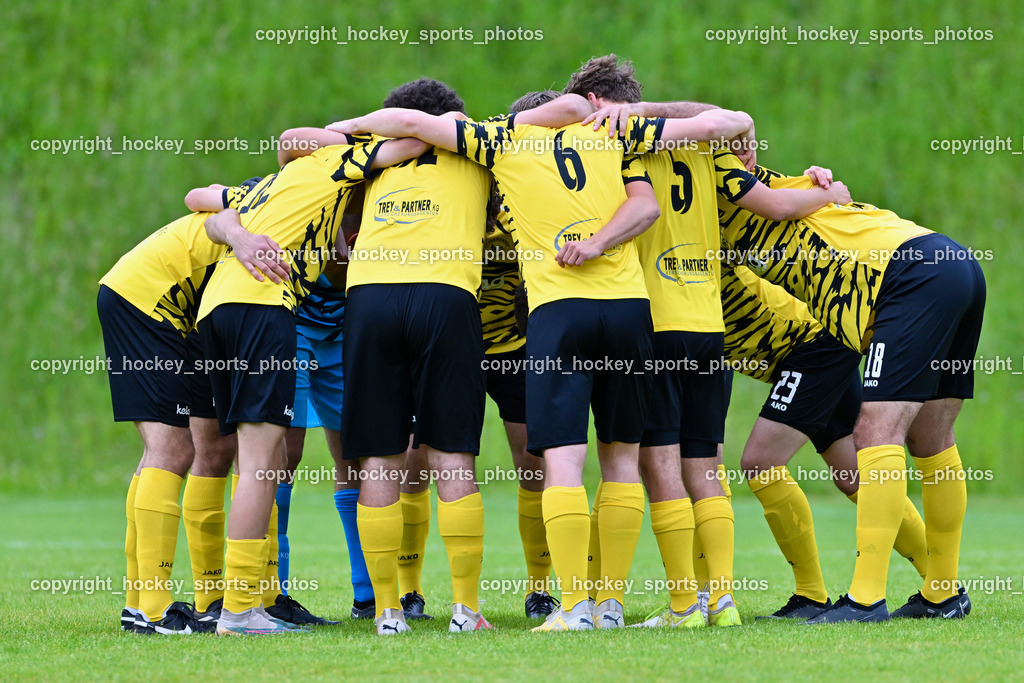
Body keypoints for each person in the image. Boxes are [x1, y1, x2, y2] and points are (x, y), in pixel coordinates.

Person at [329, 87, 756, 632]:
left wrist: (349, 121)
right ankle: (616, 606)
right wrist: (603, 229)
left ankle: (561, 606)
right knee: (623, 460)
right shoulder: (611, 132)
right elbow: (714, 128)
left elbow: (412, 121)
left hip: (554, 311)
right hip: (629, 309)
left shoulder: (501, 140)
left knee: (559, 463)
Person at [564, 54, 849, 629]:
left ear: (597, 105)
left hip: (656, 323)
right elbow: (740, 142)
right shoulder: (703, 145)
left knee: (658, 465)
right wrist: (829, 193)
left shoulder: (615, 148)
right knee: (706, 466)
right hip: (707, 329)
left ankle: (682, 607)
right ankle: (721, 601)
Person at [716, 163, 985, 623]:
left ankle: (864, 600)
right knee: (930, 441)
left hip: (906, 276)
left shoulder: (727, 180)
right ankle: (942, 593)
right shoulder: (755, 192)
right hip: (947, 265)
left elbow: (724, 120)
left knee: (876, 434)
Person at [194, 128, 426, 636]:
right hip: (268, 314)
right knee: (265, 463)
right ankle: (242, 608)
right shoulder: (332, 166)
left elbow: (212, 202)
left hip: (227, 311)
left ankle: (259, 604)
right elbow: (415, 141)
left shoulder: (297, 190)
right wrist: (361, 129)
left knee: (279, 460)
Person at [99, 177, 269, 634]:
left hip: (182, 321)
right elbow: (218, 214)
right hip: (145, 302)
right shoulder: (268, 208)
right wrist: (239, 235)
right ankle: (152, 607)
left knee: (202, 449)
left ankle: (159, 600)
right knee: (172, 451)